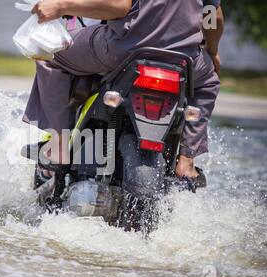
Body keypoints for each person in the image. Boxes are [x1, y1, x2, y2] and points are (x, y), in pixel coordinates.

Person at [23, 0, 224, 181]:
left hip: (125, 49)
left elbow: (118, 6)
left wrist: (61, 6)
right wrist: (212, 51)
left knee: (51, 54)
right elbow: (211, 14)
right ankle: (187, 160)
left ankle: (58, 146)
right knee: (209, 82)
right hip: (184, 58)